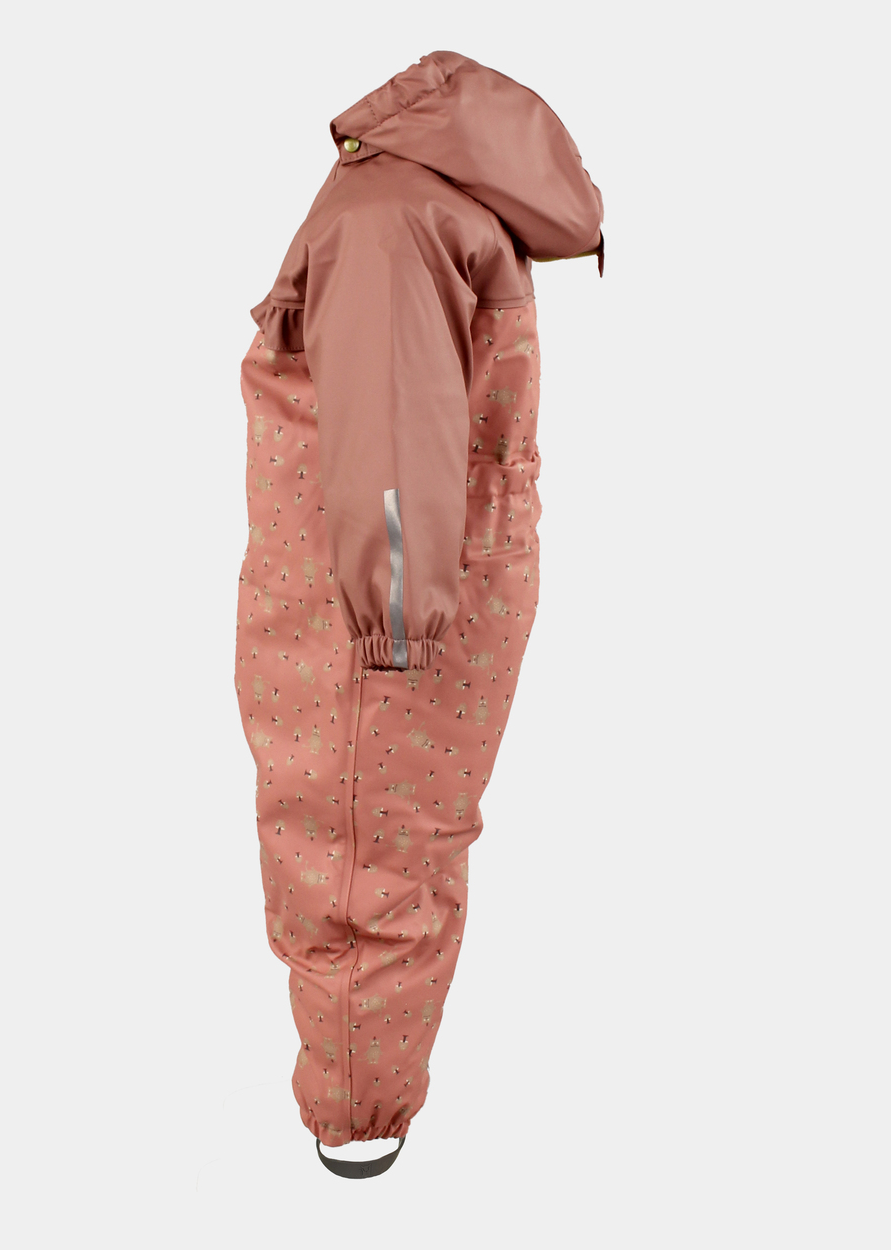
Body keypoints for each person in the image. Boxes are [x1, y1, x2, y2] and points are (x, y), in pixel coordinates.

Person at [234, 49, 604, 1177]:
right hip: (433, 584)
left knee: (354, 859)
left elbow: (392, 425)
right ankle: (371, 1096)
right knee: (399, 847)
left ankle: (355, 1119)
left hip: (376, 609)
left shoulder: (388, 213)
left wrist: (389, 618)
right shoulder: (436, 201)